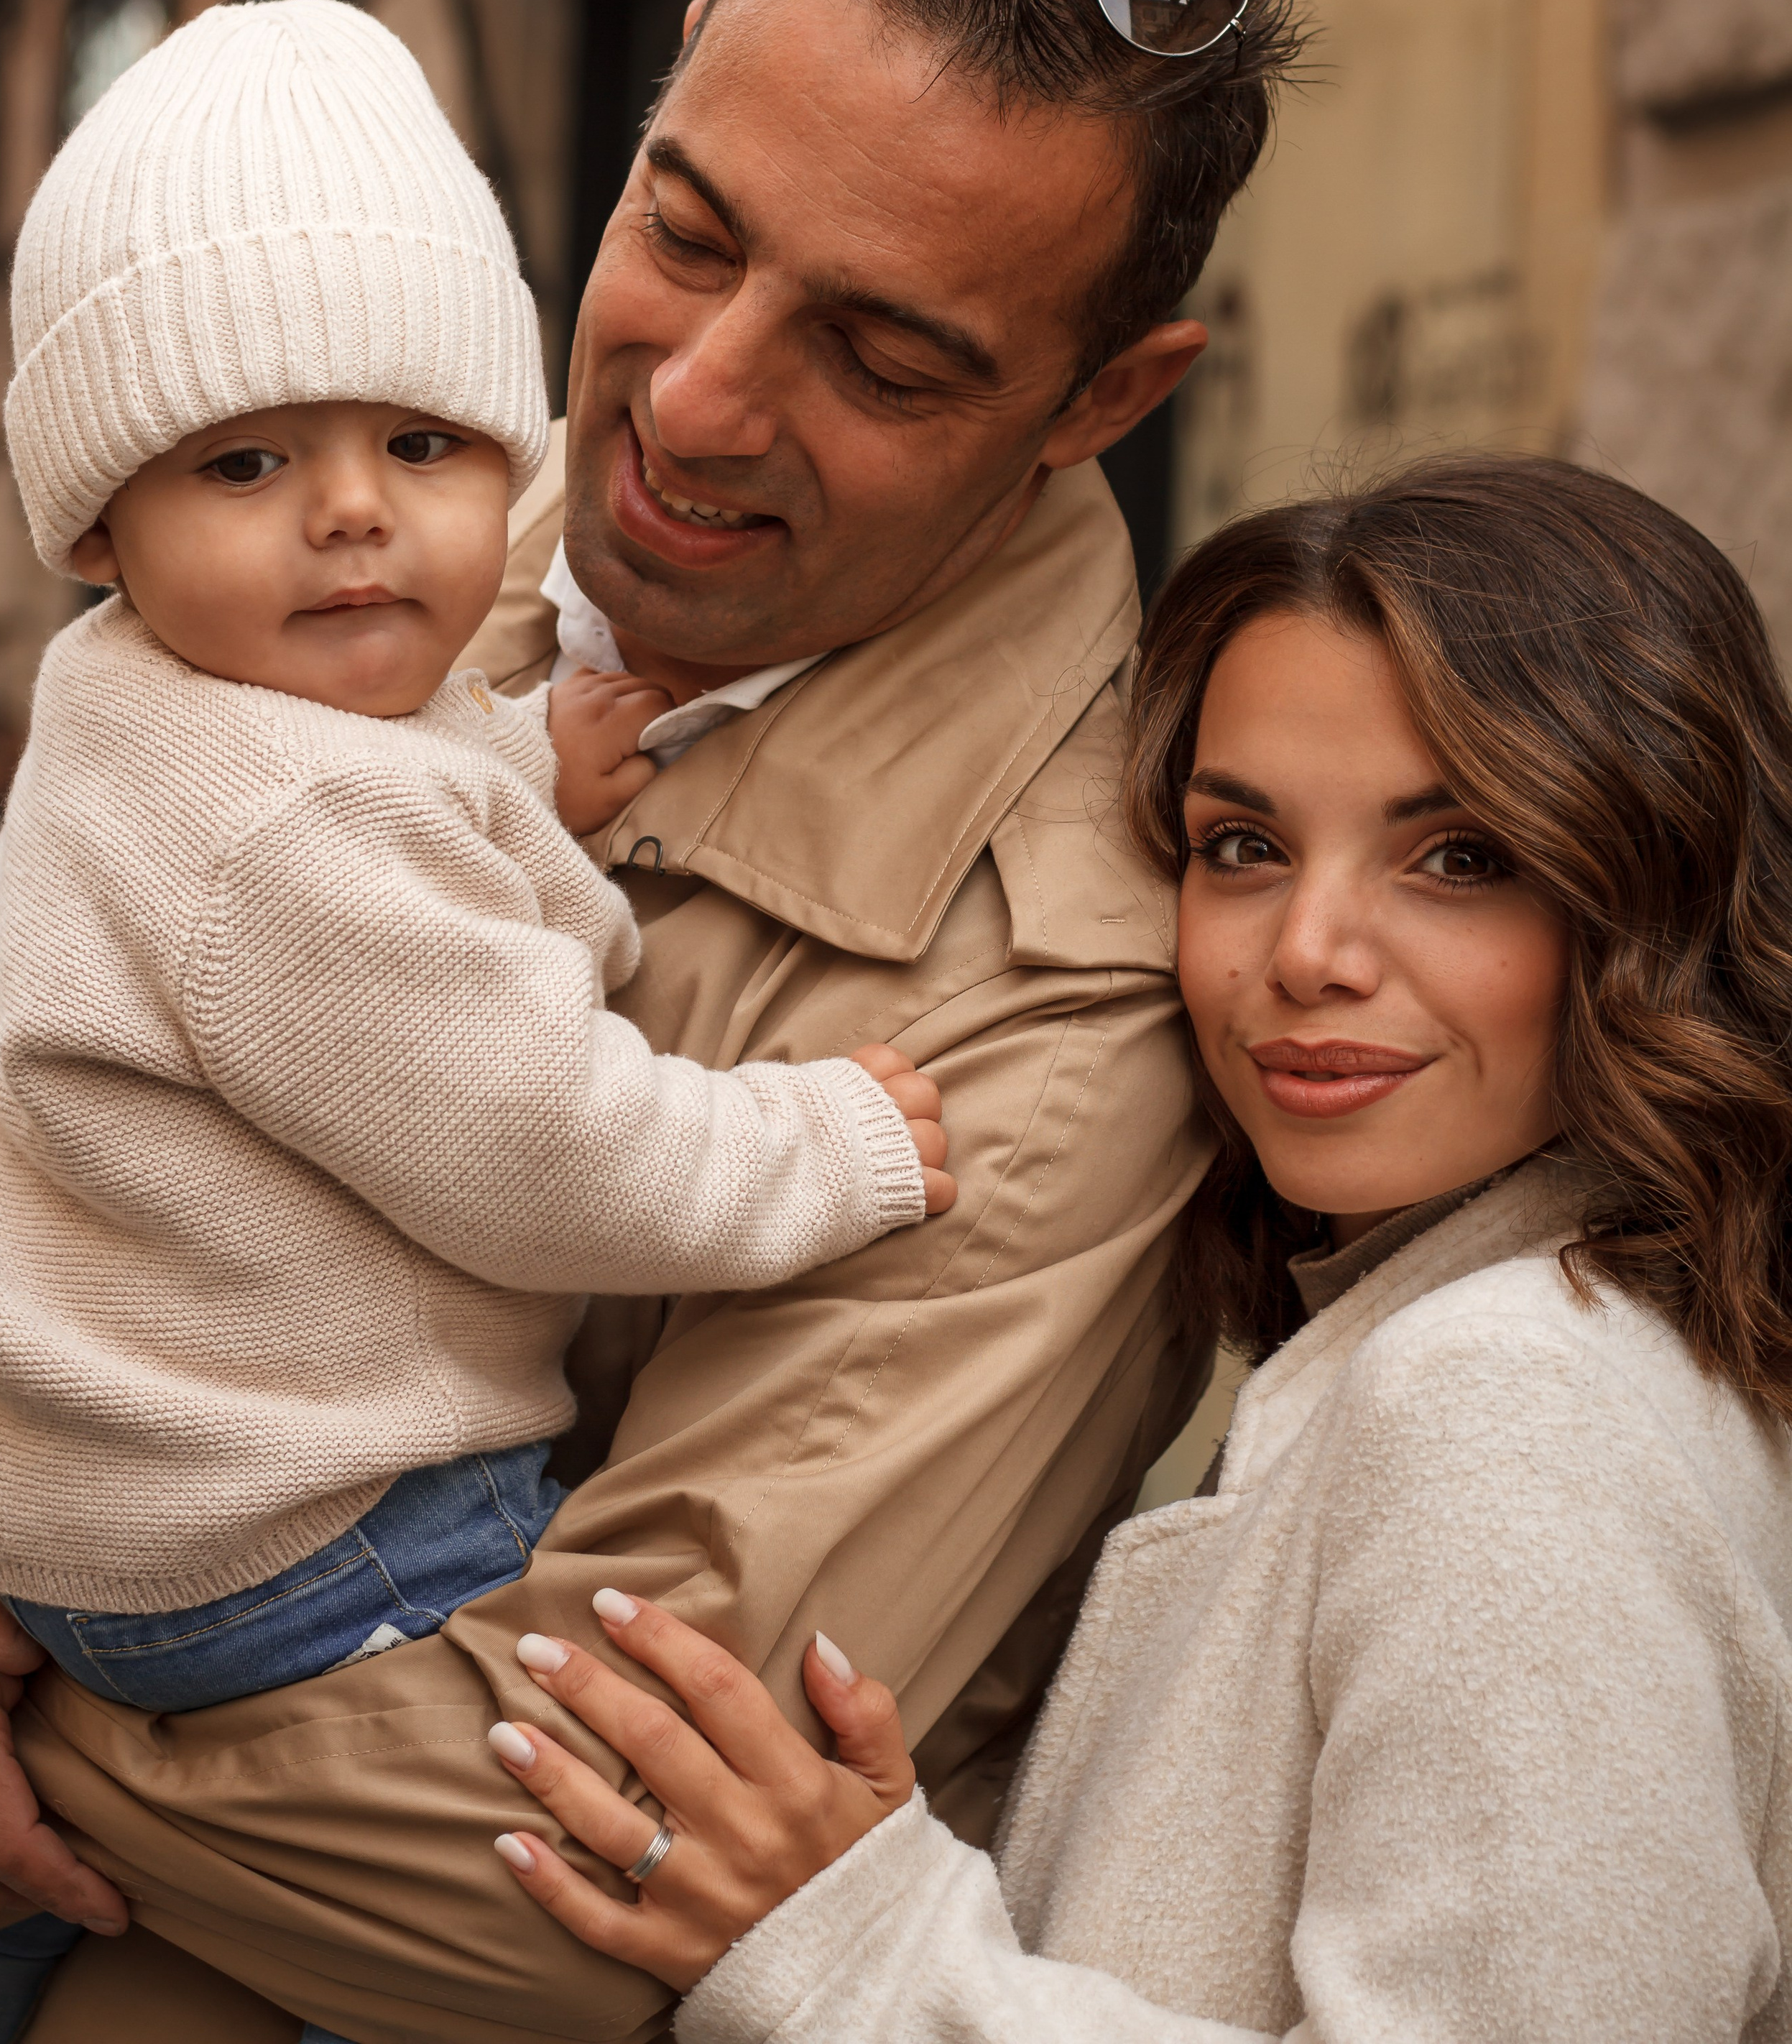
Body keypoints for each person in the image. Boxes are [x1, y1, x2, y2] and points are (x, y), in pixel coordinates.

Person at [0, 0, 1301, 2043]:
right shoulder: (352, 470)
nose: (691, 400)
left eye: (884, 360)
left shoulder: (1057, 1014)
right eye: (688, 227)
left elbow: (573, 1876)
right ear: (666, 74)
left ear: (1108, 400)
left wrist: (35, 1673)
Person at [484, 455, 1792, 2044]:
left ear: (1649, 886)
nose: (1304, 954)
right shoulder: (1497, 1341)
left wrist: (868, 1962)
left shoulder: (1510, 1402)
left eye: (1456, 858)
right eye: (1240, 845)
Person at [0, 0, 955, 2042]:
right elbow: (544, 1147)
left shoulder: (139, 714)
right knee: (531, 1856)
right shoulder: (304, 829)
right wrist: (825, 1145)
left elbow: (347, 825)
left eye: (419, 447)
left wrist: (513, 770)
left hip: (72, 1535)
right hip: (306, 1545)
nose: (350, 512)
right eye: (248, 460)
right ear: (100, 524)